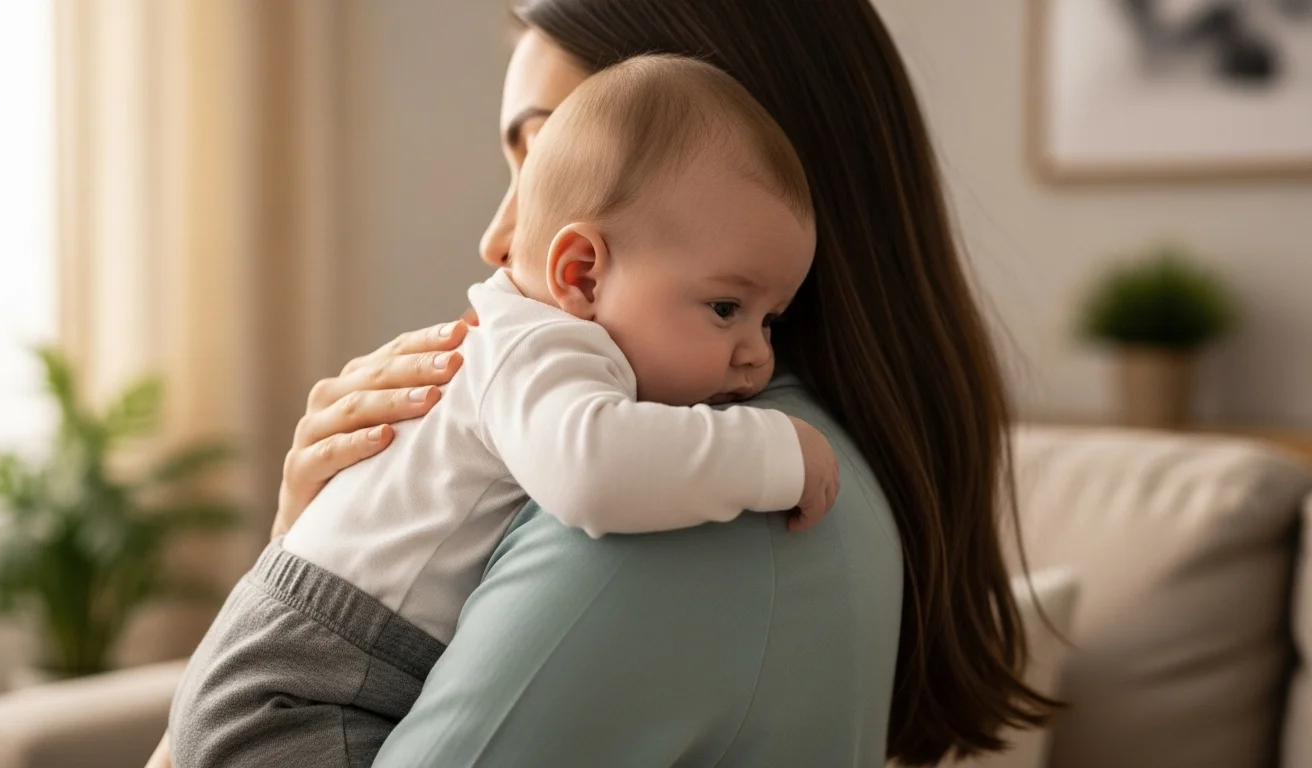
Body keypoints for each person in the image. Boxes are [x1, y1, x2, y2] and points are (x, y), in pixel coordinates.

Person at [148, 2, 1056, 766]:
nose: (498, 239)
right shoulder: (791, 465)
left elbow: (596, 474)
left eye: (549, 160)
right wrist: (307, 548)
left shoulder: (693, 510)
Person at [165, 55, 842, 767]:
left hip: (294, 656)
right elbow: (595, 472)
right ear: (581, 272)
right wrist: (773, 452)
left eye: (770, 322)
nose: (757, 357)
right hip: (312, 684)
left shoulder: (519, 341)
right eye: (727, 308)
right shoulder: (543, 348)